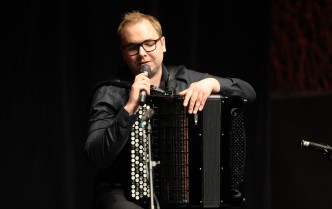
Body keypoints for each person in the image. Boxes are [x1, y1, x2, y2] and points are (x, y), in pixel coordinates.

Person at [84, 10, 256, 209]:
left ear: (163, 44)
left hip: (178, 194)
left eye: (149, 43)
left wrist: (211, 83)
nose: (142, 53)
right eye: (132, 47)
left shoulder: (184, 79)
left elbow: (248, 92)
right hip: (121, 192)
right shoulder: (109, 92)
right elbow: (95, 156)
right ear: (123, 53)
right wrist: (130, 107)